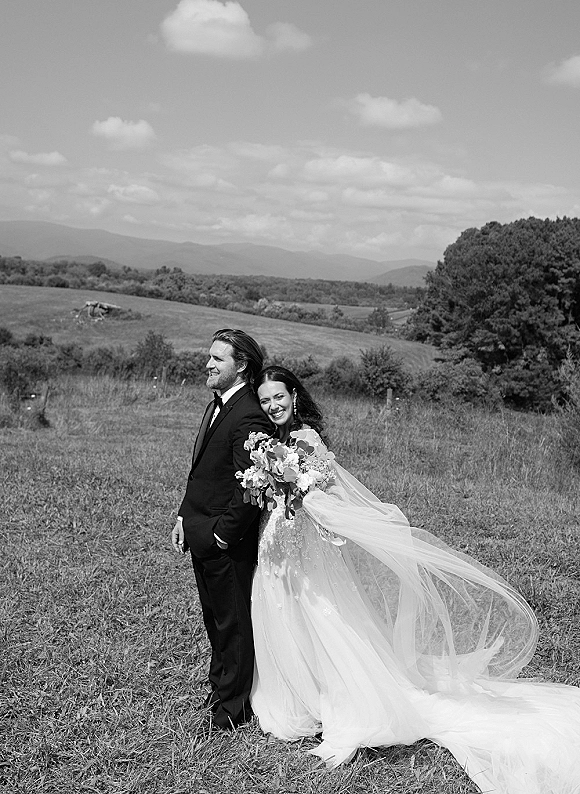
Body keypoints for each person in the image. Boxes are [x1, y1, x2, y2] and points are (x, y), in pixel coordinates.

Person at [249, 365, 580, 794]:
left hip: (303, 544)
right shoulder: (270, 443)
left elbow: (324, 490)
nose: (273, 405)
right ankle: (300, 695)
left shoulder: (306, 439)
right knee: (289, 619)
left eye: (279, 397)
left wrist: (296, 488)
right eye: (265, 400)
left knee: (324, 622)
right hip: (279, 543)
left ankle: (348, 700)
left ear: (294, 396)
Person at [171, 329, 272, 730]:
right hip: (200, 528)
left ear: (241, 366)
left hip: (224, 541)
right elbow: (203, 474)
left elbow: (251, 485)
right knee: (214, 617)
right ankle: (220, 686)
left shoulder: (248, 412)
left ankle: (233, 707)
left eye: (218, 359)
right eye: (209, 356)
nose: (208, 364)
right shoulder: (218, 404)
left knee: (232, 622)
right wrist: (183, 515)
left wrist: (222, 535)